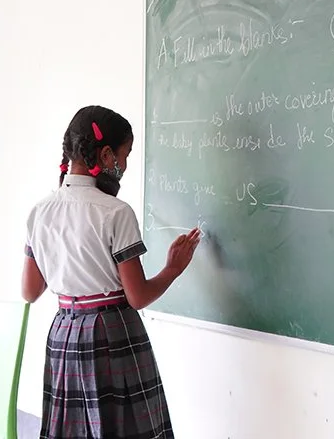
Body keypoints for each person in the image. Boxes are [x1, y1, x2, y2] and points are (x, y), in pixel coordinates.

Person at [21, 105, 201, 439]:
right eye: (125, 154)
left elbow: (30, 291)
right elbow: (138, 296)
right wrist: (173, 269)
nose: (126, 165)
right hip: (110, 334)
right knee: (123, 429)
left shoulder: (39, 212)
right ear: (106, 155)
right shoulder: (116, 213)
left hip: (63, 332)